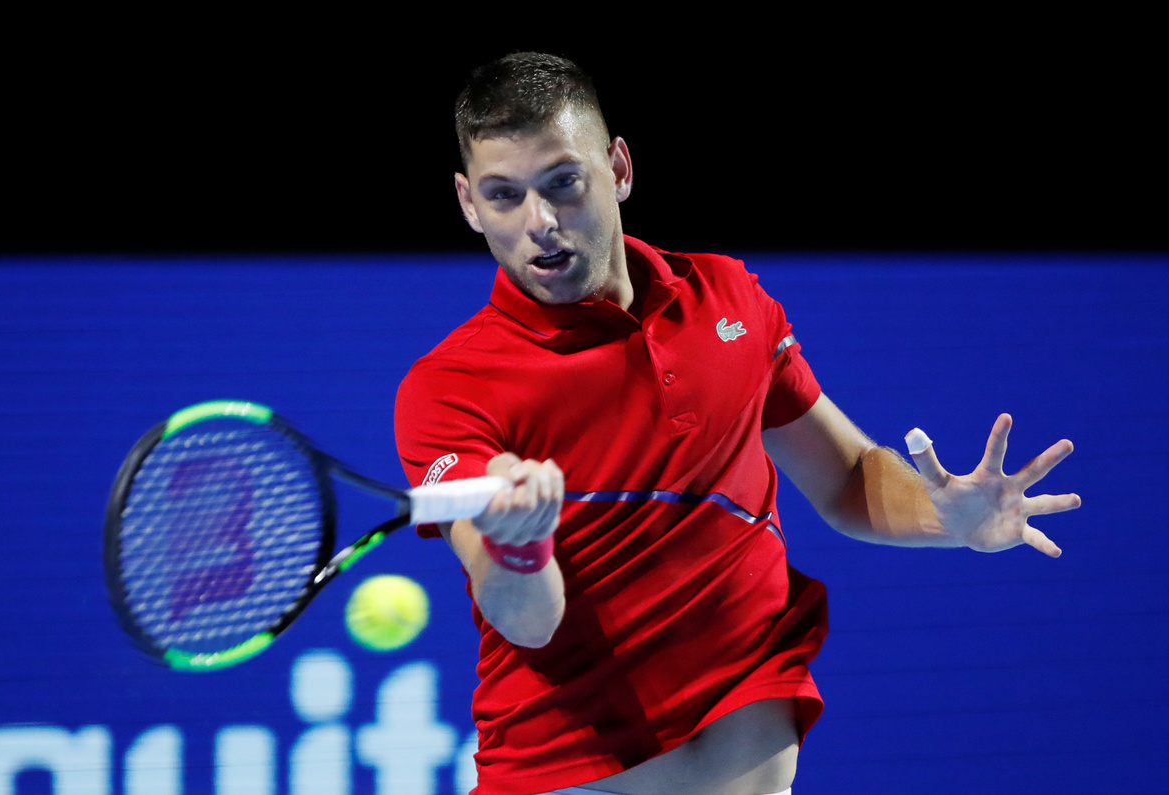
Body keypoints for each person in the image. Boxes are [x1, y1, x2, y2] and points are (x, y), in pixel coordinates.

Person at [393, 52, 1080, 795]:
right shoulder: (449, 389)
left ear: (618, 169)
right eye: (504, 196)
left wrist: (947, 517)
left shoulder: (728, 298)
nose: (541, 223)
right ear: (468, 203)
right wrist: (521, 546)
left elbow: (847, 478)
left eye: (564, 182)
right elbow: (524, 621)